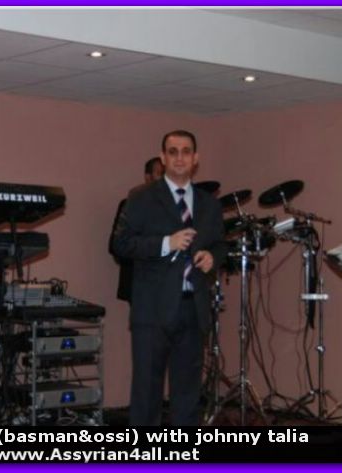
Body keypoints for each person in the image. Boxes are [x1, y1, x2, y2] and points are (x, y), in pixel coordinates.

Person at [111, 130, 226, 426]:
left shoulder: (209, 204)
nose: (179, 158)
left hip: (193, 309)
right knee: (147, 395)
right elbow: (121, 244)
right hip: (152, 310)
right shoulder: (141, 197)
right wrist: (166, 243)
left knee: (188, 397)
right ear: (163, 158)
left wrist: (213, 257)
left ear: (195, 158)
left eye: (186, 151)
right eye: (173, 152)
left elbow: (220, 244)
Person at [109, 157, 164, 303]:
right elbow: (115, 247)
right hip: (140, 284)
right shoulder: (131, 204)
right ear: (148, 177)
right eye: (160, 173)